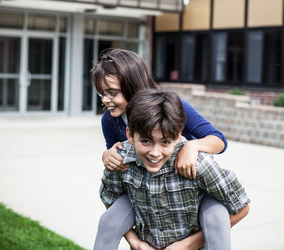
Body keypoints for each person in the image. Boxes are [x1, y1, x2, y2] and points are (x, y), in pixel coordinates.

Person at [91, 49, 233, 249]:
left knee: (215, 217)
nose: (105, 100)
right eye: (101, 94)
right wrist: (107, 155)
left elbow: (219, 141)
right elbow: (119, 160)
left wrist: (193, 146)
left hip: (185, 188)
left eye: (112, 93)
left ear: (132, 86)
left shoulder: (170, 108)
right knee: (109, 220)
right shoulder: (110, 119)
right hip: (144, 192)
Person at [98, 89, 250, 250]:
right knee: (108, 219)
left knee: (217, 213)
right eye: (146, 141)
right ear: (130, 135)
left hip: (191, 246)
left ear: (177, 137)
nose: (155, 153)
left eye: (165, 142)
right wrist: (135, 242)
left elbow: (241, 207)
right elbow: (110, 200)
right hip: (146, 244)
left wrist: (188, 245)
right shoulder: (121, 159)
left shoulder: (198, 164)